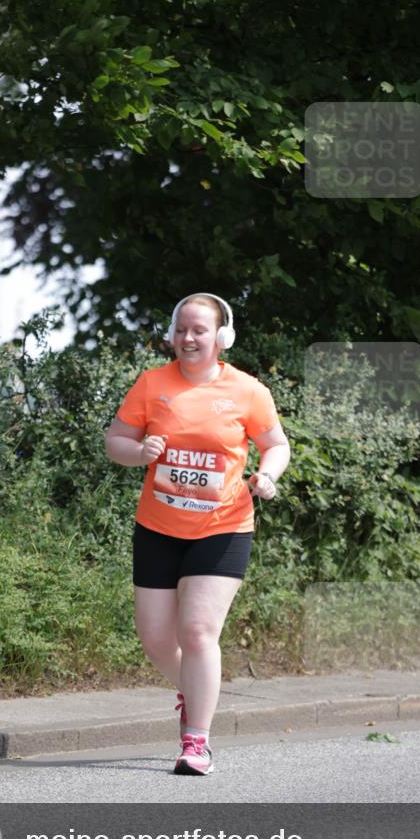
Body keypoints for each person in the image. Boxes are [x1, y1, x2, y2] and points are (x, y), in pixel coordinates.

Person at [104, 293, 290, 774]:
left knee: (198, 630)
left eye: (199, 331)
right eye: (182, 330)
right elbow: (115, 441)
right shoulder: (152, 384)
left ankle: (196, 742)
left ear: (221, 338)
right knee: (157, 640)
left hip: (223, 526)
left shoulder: (248, 391)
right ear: (172, 334)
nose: (188, 338)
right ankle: (195, 689)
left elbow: (275, 444)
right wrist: (139, 452)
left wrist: (268, 475)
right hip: (158, 528)